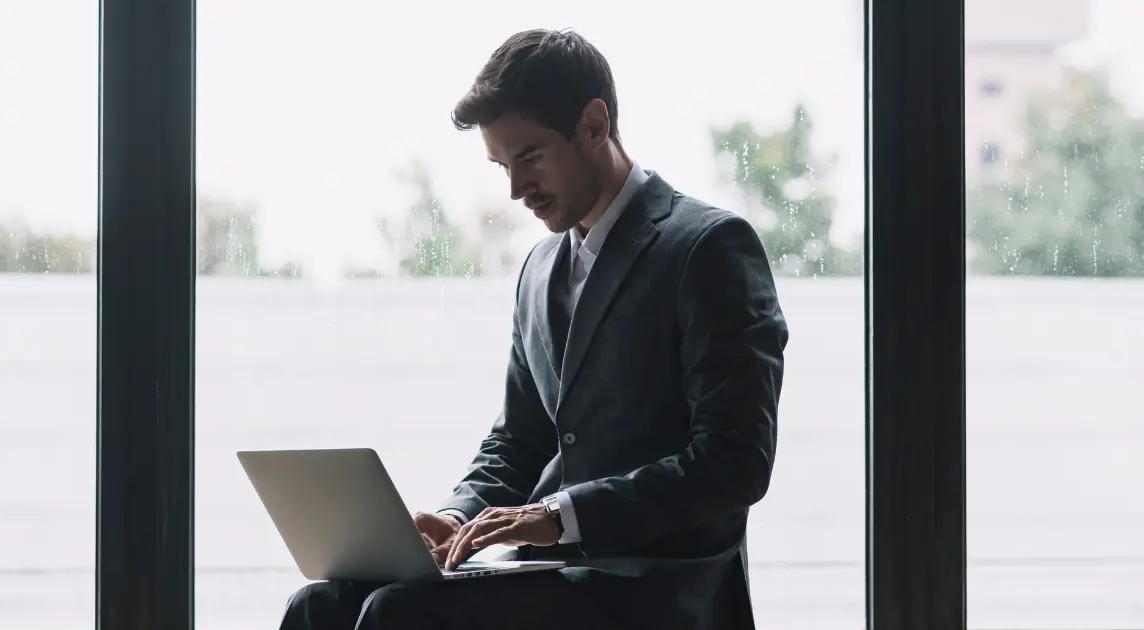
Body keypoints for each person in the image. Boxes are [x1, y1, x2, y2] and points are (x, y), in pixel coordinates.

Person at [279, 28, 788, 630]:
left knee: (400, 614)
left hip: (655, 582)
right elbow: (519, 439)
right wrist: (458, 515)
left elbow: (735, 463)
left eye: (530, 158)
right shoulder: (540, 268)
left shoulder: (707, 248)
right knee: (319, 605)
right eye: (502, 165)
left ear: (594, 126)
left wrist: (559, 515)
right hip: (549, 576)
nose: (517, 190)